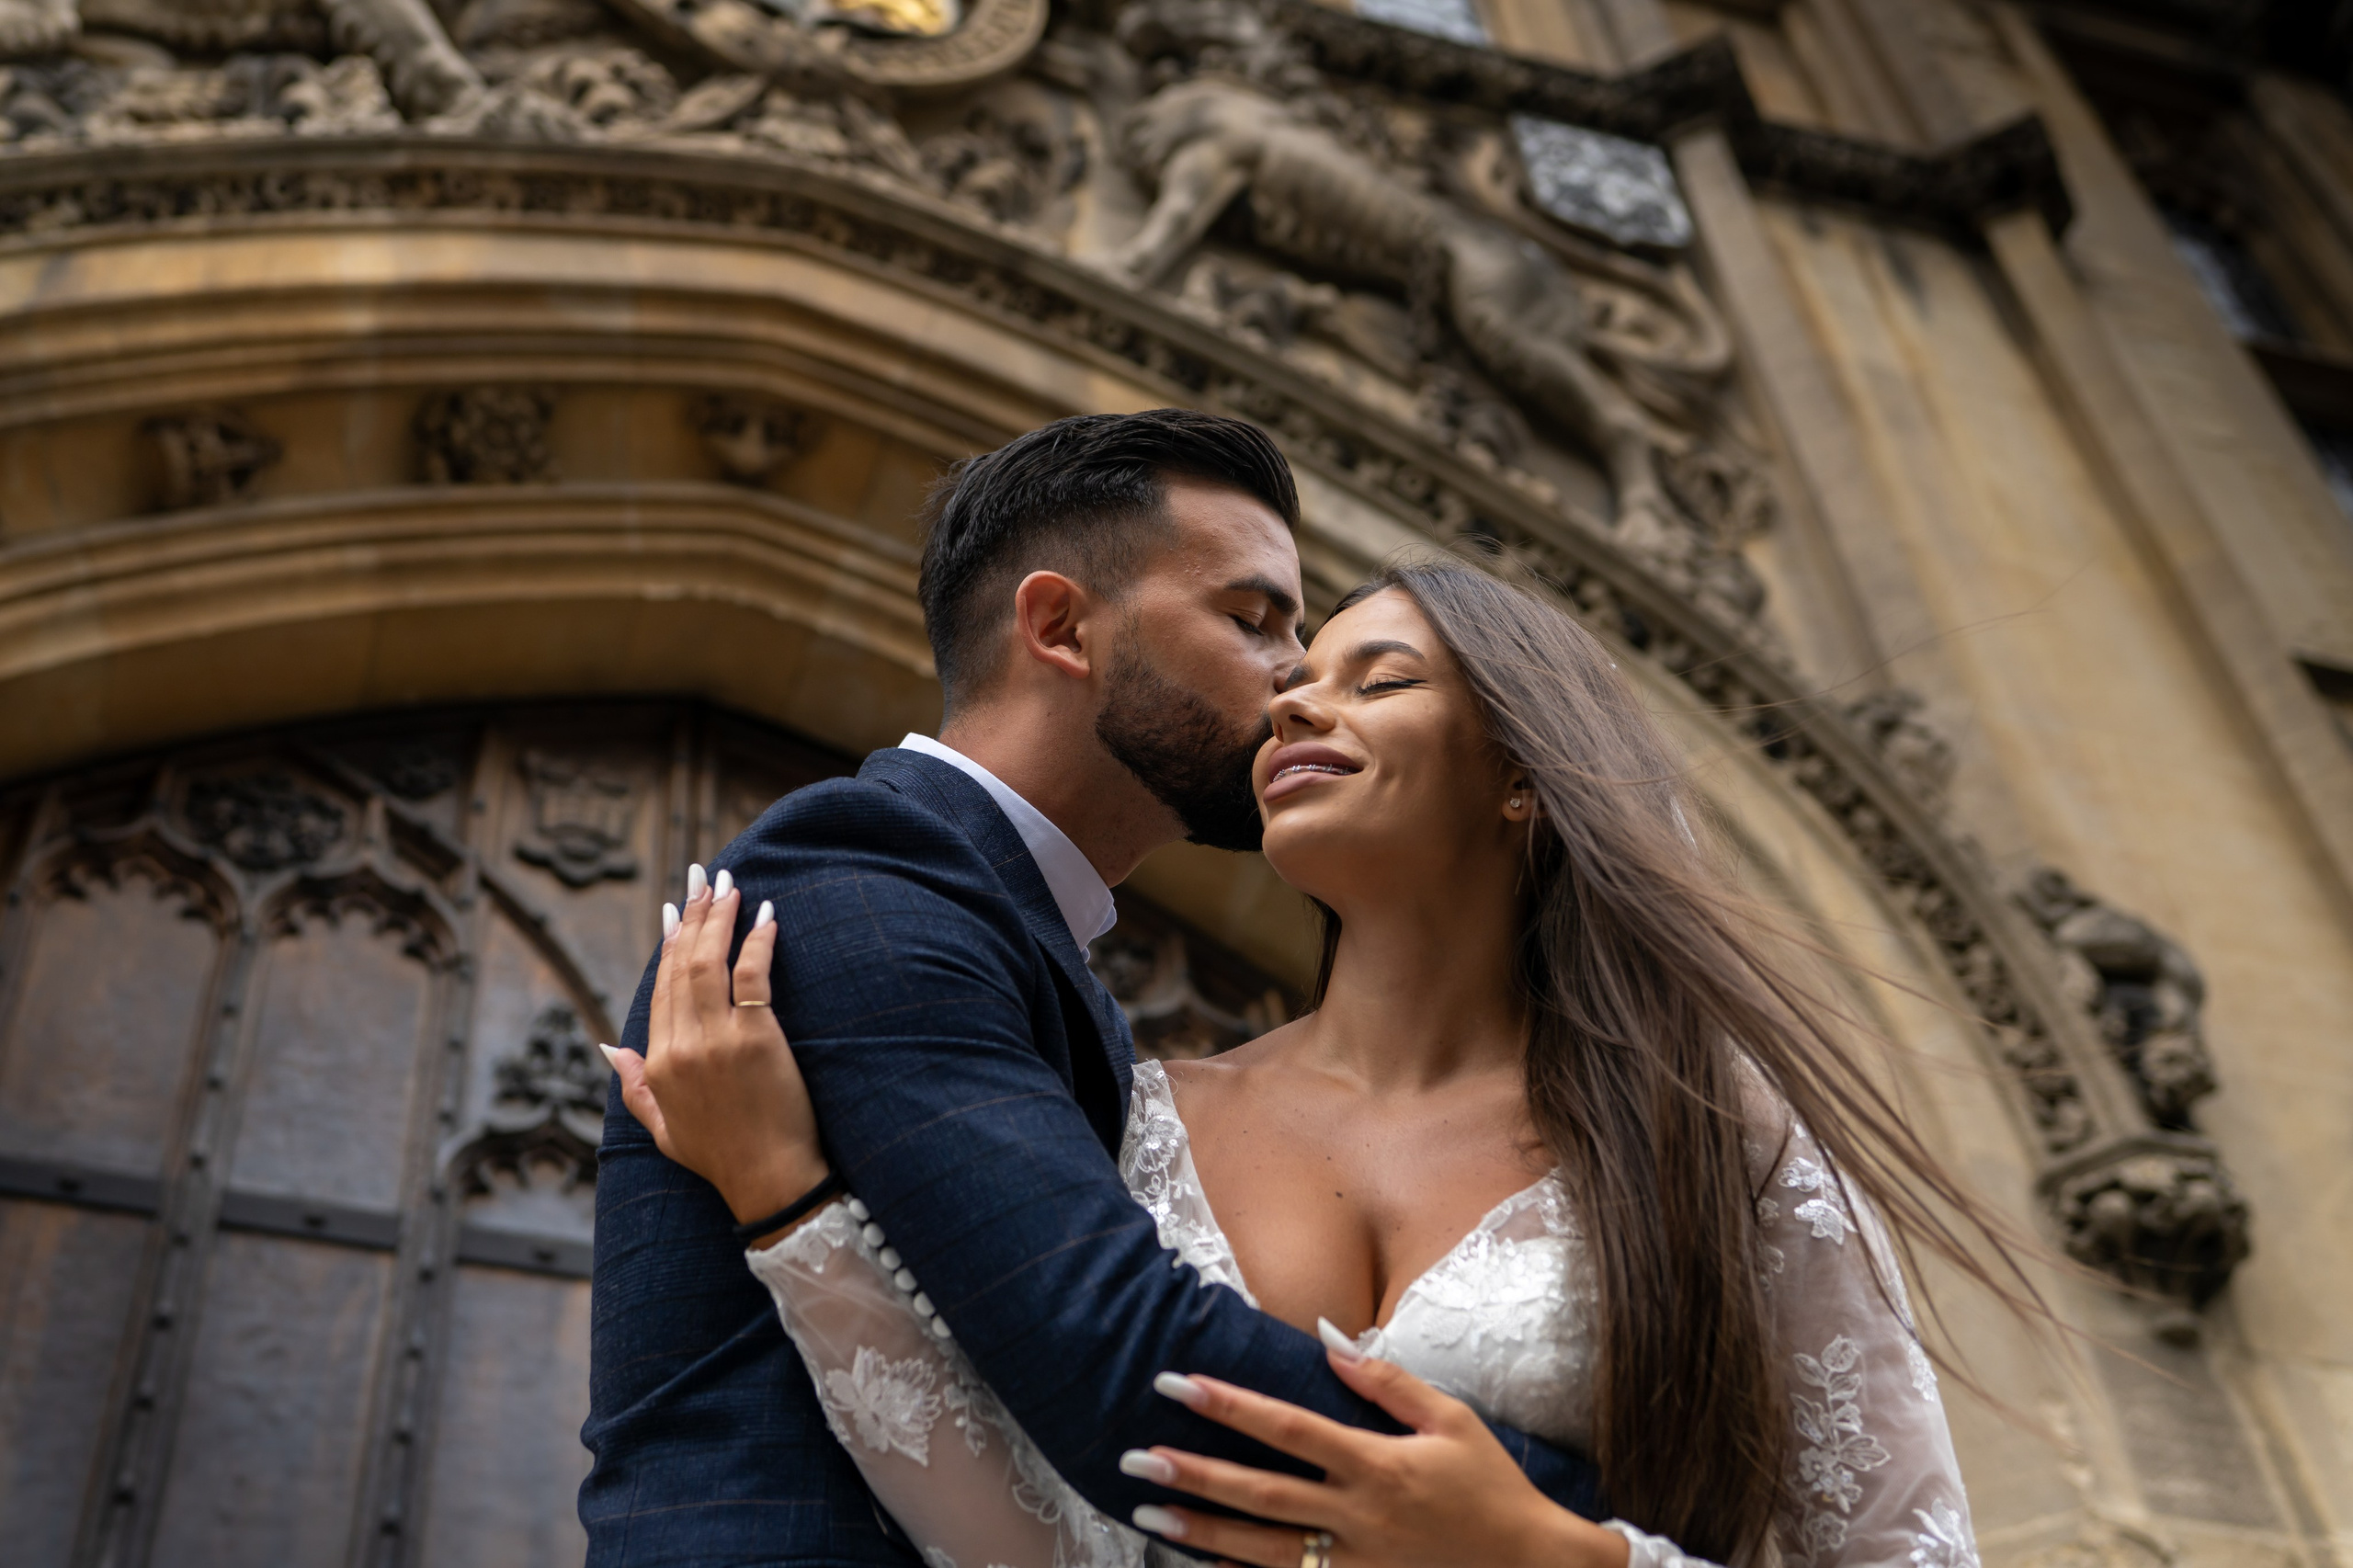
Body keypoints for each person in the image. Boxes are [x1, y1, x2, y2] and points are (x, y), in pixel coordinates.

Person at [615, 556, 2030, 1568]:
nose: (1292, 704)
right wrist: (787, 1198)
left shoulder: (1717, 1139)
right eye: (1296, 678)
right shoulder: (1141, 1113)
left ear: (1524, 773)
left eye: (1380, 678)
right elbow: (1048, 1544)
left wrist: (1558, 1559)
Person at [580, 412, 1604, 1564]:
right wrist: (1562, 1516)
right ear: (1060, 626)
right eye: (1253, 619)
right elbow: (1110, 1346)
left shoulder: (1024, 940)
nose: (1293, 686)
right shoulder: (864, 876)